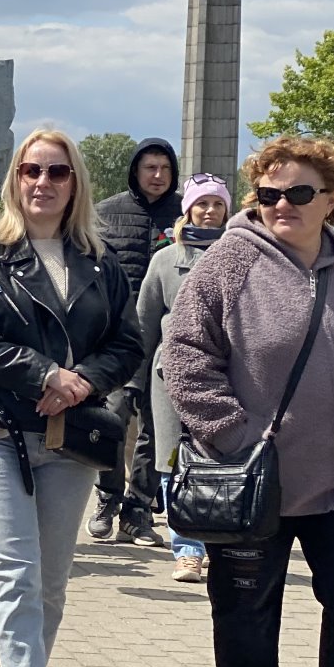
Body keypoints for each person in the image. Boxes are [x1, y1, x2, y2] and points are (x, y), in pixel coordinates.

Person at [0, 129, 142, 667]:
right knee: (16, 570)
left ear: (74, 182)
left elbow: (128, 343)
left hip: (70, 435)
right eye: (31, 170)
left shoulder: (100, 261)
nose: (43, 182)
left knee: (52, 583)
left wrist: (82, 379)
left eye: (57, 172)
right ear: (14, 178)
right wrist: (42, 373)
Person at [162, 136, 334, 667]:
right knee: (244, 611)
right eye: (269, 194)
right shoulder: (228, 263)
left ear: (331, 198)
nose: (282, 205)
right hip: (248, 481)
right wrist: (232, 435)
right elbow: (184, 357)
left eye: (299, 193)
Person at [133, 173, 231, 583]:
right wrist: (133, 381)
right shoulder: (165, 259)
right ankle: (186, 550)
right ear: (187, 209)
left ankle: (216, 546)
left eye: (217, 205)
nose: (209, 212)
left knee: (220, 461)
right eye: (202, 204)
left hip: (225, 377)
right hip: (169, 375)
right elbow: (144, 323)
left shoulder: (241, 256)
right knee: (175, 463)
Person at [90, 138, 181, 546]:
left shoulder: (184, 212)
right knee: (113, 416)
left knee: (153, 427)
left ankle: (138, 509)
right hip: (116, 335)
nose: (158, 175)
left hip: (168, 340)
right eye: (150, 168)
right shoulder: (107, 213)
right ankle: (107, 497)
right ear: (135, 171)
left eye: (165, 168)